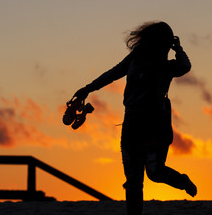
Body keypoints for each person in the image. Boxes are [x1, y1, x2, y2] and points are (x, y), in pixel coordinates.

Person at [72, 21, 197, 215]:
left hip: (156, 125)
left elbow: (185, 66)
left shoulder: (166, 67)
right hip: (131, 123)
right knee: (133, 181)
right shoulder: (135, 59)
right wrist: (87, 89)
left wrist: (178, 48)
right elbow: (111, 74)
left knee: (155, 173)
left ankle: (182, 181)